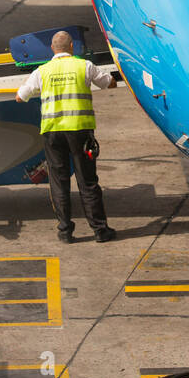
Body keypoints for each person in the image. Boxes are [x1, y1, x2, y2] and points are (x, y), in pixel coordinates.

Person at [15, 30, 117, 243]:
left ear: (52, 49)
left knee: (59, 182)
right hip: (80, 131)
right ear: (72, 47)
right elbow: (109, 83)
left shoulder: (42, 71)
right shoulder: (84, 66)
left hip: (53, 132)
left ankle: (65, 231)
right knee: (87, 181)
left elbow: (20, 97)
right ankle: (100, 230)